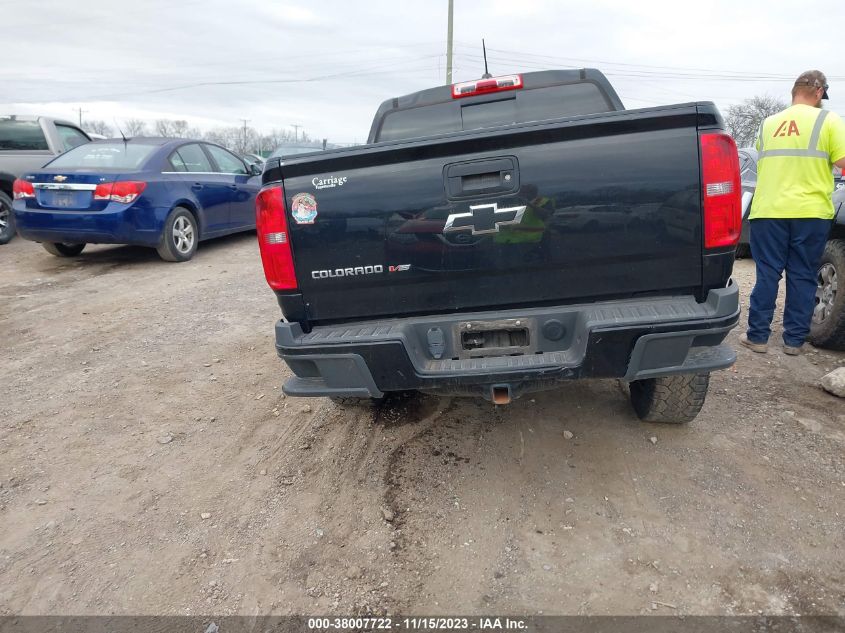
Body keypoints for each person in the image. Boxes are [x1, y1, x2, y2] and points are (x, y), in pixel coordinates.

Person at [740, 70, 845, 355]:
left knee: (767, 274)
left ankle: (757, 337)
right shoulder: (828, 120)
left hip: (768, 210)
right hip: (810, 212)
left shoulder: (768, 123)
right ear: (819, 91)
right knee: (802, 274)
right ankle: (793, 341)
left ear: (794, 91)